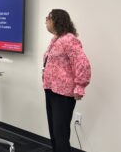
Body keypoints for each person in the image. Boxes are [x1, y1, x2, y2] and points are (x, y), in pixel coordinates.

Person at [43, 9, 91, 152]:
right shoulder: (56, 40)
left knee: (60, 133)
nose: (45, 21)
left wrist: (80, 86)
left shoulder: (69, 39)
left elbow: (82, 63)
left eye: (48, 18)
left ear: (57, 20)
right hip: (51, 90)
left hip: (63, 94)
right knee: (54, 132)